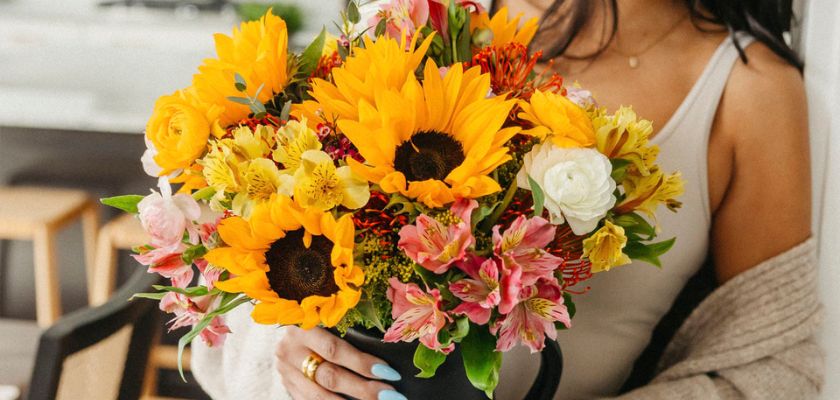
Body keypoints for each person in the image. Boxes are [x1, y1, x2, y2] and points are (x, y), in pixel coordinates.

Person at [191, 0, 821, 399]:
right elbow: (224, 317)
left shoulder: (751, 92)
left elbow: (773, 375)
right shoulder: (424, 17)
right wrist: (290, 366)